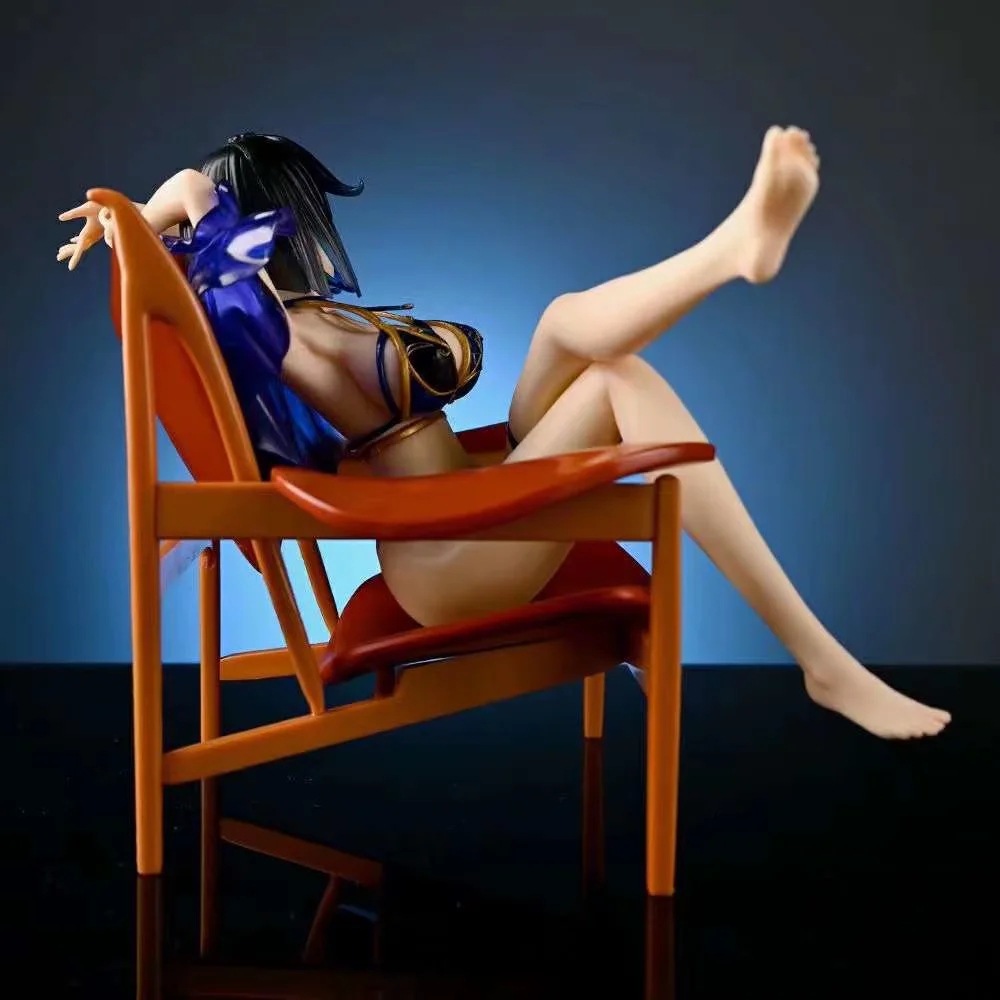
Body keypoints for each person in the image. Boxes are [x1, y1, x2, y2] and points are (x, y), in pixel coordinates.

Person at [57, 128, 950, 739]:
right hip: (447, 556)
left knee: (563, 321)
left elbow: (201, 231)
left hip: (474, 506)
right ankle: (821, 661)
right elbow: (204, 227)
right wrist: (167, 203)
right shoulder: (280, 335)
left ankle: (731, 252)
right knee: (620, 383)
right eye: (287, 210)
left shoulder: (312, 318)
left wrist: (144, 216)